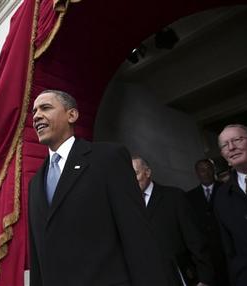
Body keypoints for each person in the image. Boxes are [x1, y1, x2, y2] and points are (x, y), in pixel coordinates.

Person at [28, 90, 169, 286]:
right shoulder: (34, 184)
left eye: (46, 108)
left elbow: (137, 236)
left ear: (72, 115)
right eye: (34, 111)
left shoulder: (108, 158)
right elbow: (37, 256)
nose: (36, 116)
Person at [131, 156, 213, 286]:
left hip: (180, 276)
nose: (131, 180)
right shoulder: (128, 207)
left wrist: (205, 278)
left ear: (147, 172)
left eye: (135, 173)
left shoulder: (174, 197)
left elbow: (195, 238)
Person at [214, 124, 247, 286]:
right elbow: (229, 249)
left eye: (237, 140)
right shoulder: (222, 195)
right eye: (224, 145)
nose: (231, 147)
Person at [186, 159, 229, 286]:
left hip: (227, 251)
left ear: (213, 170)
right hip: (207, 255)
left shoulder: (227, 189)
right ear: (197, 173)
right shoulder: (189, 197)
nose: (206, 172)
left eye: (209, 168)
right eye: (202, 170)